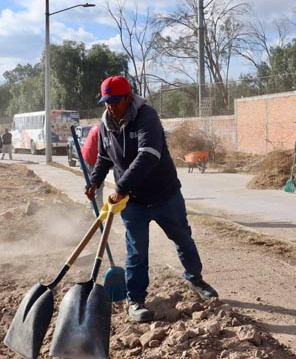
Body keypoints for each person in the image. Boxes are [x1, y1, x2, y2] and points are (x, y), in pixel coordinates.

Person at [85, 75, 218, 323]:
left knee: (183, 239)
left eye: (115, 101)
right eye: (106, 102)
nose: (110, 106)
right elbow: (104, 158)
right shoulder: (105, 124)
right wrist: (94, 181)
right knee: (136, 252)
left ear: (128, 97)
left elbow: (149, 155)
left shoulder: (147, 117)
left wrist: (121, 186)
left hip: (165, 195)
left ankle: (196, 280)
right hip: (133, 202)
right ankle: (135, 301)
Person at [81, 124, 104, 209]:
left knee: (91, 184)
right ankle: (98, 210)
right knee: (98, 185)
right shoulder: (102, 131)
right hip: (92, 159)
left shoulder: (97, 126)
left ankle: (93, 207)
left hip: (85, 158)